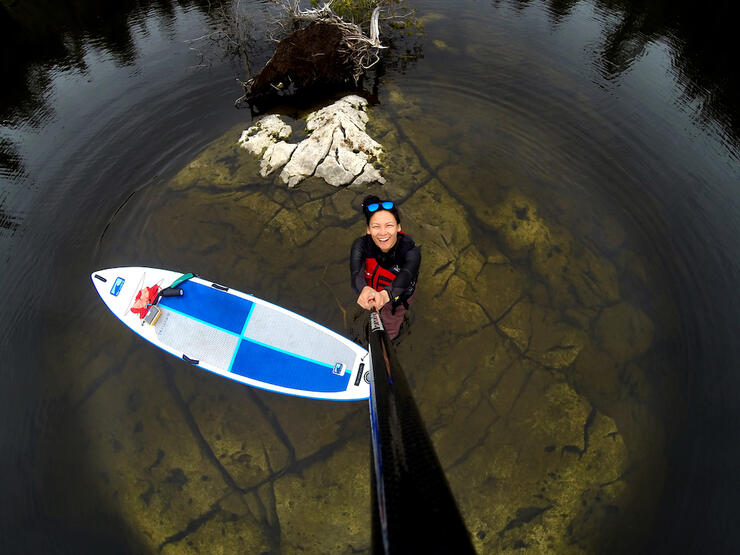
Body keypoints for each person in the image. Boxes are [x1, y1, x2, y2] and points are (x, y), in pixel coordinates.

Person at [350, 195, 421, 341]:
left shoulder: (410, 251)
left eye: (389, 225)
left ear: (398, 227)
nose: (383, 232)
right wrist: (364, 289)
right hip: (373, 290)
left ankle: (390, 341)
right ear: (368, 230)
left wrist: (385, 295)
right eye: (376, 226)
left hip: (397, 297)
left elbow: (407, 274)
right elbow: (356, 273)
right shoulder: (361, 245)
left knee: (390, 324)